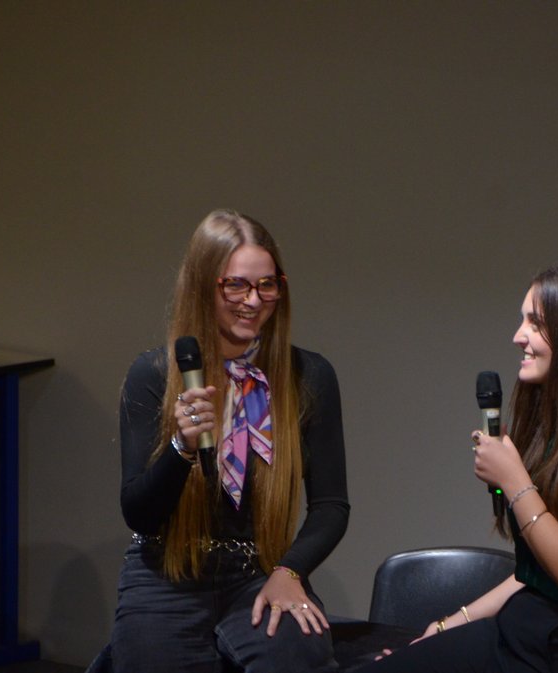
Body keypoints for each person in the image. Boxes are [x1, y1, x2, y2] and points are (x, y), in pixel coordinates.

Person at [360, 264, 558, 673]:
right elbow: (535, 577)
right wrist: (446, 627)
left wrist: (514, 480)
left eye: (536, 322)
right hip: (524, 632)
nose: (519, 336)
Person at [108, 210, 350, 673]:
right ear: (204, 287)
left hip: (257, 574)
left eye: (267, 286)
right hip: (166, 572)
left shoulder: (309, 376)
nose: (253, 301)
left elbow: (331, 506)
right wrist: (181, 446)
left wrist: (290, 571)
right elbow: (137, 511)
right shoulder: (153, 375)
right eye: (236, 286)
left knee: (300, 656)